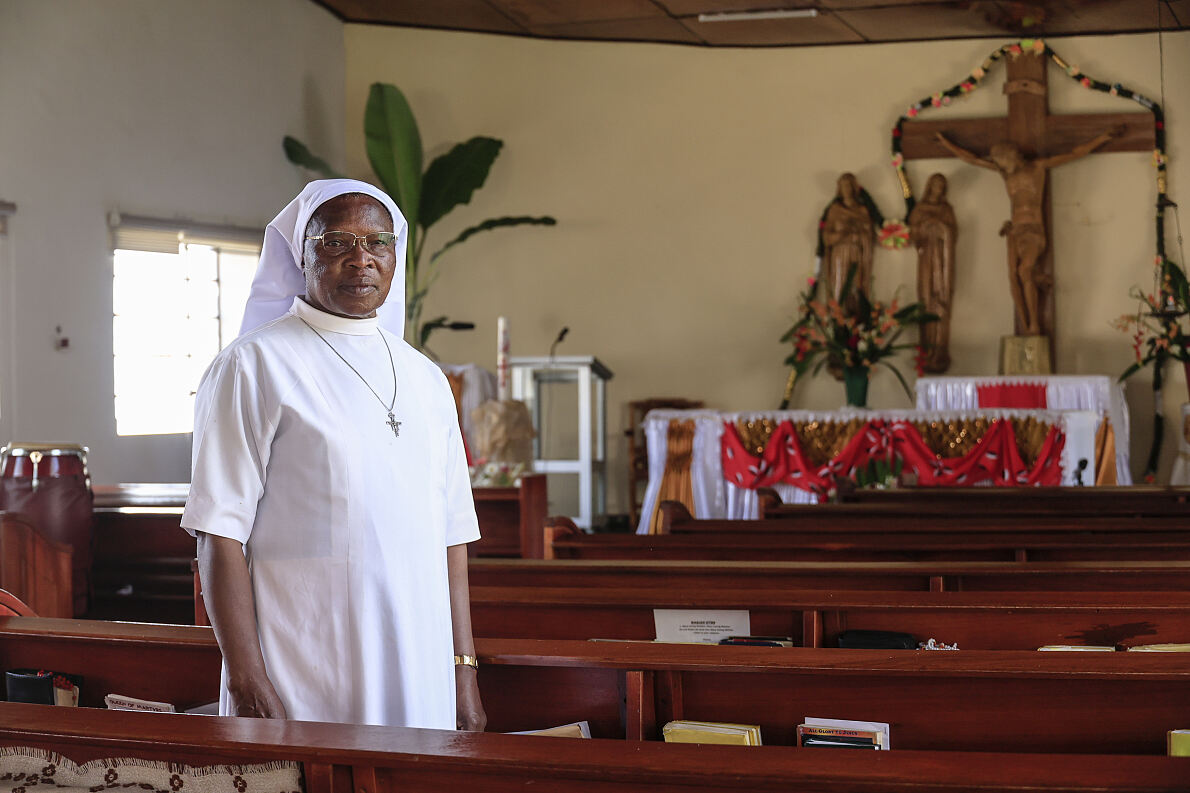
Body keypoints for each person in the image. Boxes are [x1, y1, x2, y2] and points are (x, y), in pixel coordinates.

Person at [181, 179, 486, 731]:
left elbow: (452, 537)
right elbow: (218, 533)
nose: (360, 259)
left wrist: (462, 670)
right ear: (301, 255)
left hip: (419, 662)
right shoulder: (253, 365)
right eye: (336, 242)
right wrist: (246, 679)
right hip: (305, 660)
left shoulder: (426, 378)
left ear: (394, 256)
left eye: (377, 243)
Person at [935, 129, 1115, 336]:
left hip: (1034, 229)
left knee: (1024, 271)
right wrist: (946, 143)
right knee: (1013, 277)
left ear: (1012, 156)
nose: (1001, 166)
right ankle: (1026, 320)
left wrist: (1102, 138)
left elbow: (1074, 154)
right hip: (1014, 230)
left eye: (1002, 161)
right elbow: (973, 159)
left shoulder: (1038, 167)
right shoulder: (1005, 174)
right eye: (999, 163)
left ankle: (1035, 323)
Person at [909, 173, 957, 372]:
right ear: (930, 186)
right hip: (927, 259)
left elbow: (953, 234)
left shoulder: (946, 210)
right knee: (926, 301)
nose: (938, 189)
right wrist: (925, 227)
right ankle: (926, 350)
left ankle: (940, 349)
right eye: (936, 185)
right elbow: (913, 234)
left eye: (941, 186)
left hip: (943, 261)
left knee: (942, 301)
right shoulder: (920, 209)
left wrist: (942, 228)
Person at [820, 173, 875, 307]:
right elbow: (826, 237)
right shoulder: (835, 210)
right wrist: (840, 236)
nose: (846, 189)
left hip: (856, 252)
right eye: (843, 186)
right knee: (839, 284)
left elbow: (870, 235)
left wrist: (858, 236)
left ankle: (856, 317)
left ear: (854, 188)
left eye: (849, 186)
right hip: (839, 252)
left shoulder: (862, 211)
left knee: (856, 285)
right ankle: (837, 316)